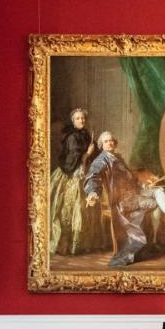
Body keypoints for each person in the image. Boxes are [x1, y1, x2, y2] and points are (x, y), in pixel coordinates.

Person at [84, 131, 165, 267]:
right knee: (154, 202)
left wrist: (144, 184)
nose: (110, 143)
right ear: (101, 145)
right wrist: (93, 193)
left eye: (112, 140)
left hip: (133, 193)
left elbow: (129, 178)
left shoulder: (117, 157)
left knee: (159, 189)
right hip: (124, 200)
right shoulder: (101, 160)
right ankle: (153, 238)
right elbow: (93, 177)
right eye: (106, 141)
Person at [49, 108, 102, 255]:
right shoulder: (72, 137)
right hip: (72, 173)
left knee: (88, 205)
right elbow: (74, 157)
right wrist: (87, 154)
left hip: (85, 173)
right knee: (72, 206)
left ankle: (84, 244)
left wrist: (95, 152)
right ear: (73, 121)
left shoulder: (86, 135)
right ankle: (68, 245)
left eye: (83, 118)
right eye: (78, 119)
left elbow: (95, 154)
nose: (81, 121)